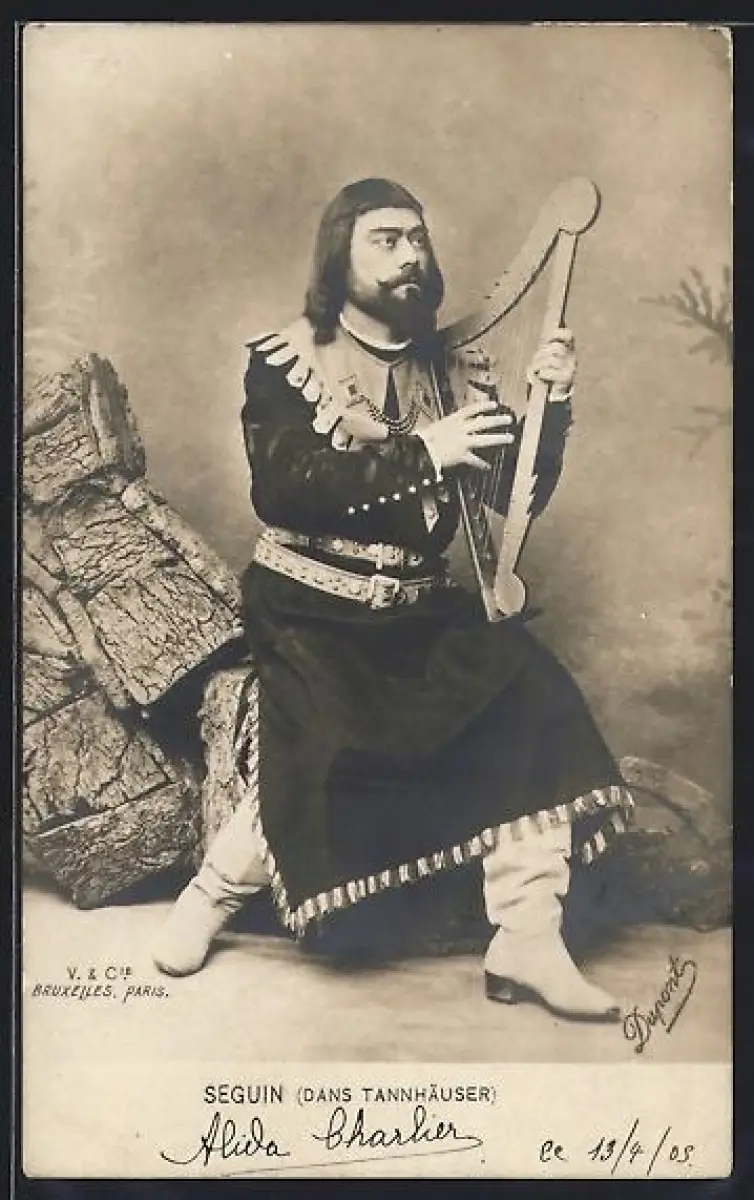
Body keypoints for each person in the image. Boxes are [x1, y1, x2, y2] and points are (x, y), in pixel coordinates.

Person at [152, 177, 634, 1021]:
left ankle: (527, 935)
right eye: (385, 239)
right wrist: (424, 455)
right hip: (309, 605)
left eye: (417, 238)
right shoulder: (285, 357)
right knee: (330, 740)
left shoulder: (459, 368)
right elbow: (283, 488)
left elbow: (512, 497)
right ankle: (213, 894)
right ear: (338, 256)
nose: (411, 254)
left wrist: (550, 407)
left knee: (531, 692)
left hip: (417, 607)